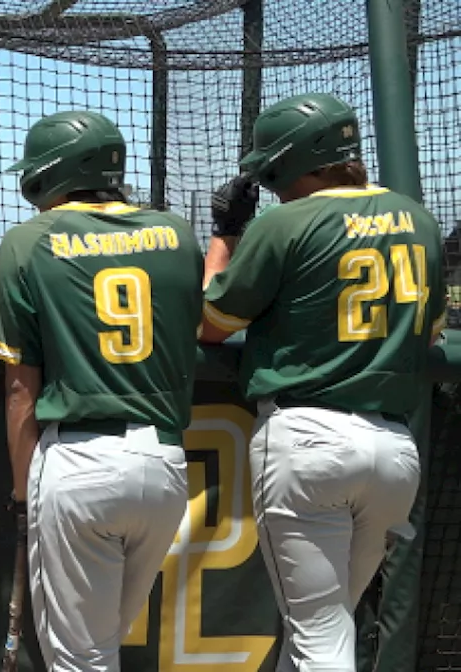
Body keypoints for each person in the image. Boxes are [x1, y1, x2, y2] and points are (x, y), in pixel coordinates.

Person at [199, 93, 445, 670]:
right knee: (321, 629)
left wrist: (225, 235)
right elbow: (431, 337)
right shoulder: (418, 218)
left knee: (320, 642)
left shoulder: (286, 221)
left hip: (308, 443)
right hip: (394, 453)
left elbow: (211, 324)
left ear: (291, 161)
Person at [0, 110, 203, 670]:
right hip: (164, 465)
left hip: (80, 466)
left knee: (81, 659)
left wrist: (22, 493)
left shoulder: (27, 241)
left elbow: (18, 392)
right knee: (103, 647)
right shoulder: (176, 232)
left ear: (48, 175)